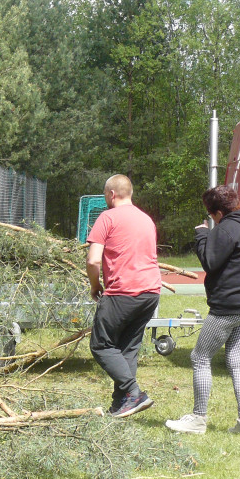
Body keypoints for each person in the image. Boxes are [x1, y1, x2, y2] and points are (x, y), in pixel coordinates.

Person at [166, 185, 240, 436]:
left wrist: (202, 235)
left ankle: (198, 419)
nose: (211, 220)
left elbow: (209, 262)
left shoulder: (227, 229)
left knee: (199, 358)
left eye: (211, 215)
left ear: (218, 213)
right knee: (236, 362)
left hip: (227, 309)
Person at [86, 174, 162, 418]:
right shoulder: (146, 219)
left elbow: (93, 259)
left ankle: (133, 392)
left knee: (101, 345)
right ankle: (122, 403)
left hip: (123, 292)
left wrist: (95, 285)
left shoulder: (107, 217)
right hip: (151, 292)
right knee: (127, 349)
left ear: (111, 195)